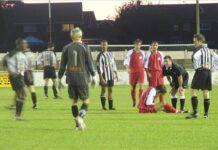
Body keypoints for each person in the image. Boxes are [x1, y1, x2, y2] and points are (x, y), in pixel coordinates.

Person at [58, 27, 96, 130]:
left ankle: (77, 125)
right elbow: (90, 63)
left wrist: (59, 78)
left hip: (70, 78)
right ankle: (80, 117)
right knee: (86, 101)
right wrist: (94, 76)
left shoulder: (66, 48)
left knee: (74, 102)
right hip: (82, 78)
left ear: (71, 36)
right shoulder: (85, 47)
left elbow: (62, 65)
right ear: (81, 36)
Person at [186, 34, 215, 119]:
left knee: (193, 90)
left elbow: (194, 60)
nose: (194, 43)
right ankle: (206, 114)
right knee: (206, 92)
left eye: (195, 41)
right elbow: (215, 59)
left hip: (200, 71)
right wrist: (211, 67)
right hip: (208, 72)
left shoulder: (198, 50)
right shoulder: (209, 50)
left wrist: (197, 67)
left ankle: (195, 112)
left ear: (200, 41)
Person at [3, 38, 28, 120]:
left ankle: (17, 115)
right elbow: (4, 60)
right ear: (19, 45)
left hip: (19, 76)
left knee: (21, 94)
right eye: (24, 43)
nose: (26, 45)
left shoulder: (22, 54)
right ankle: (17, 116)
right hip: (15, 76)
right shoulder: (13, 53)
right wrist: (10, 71)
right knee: (23, 93)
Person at [124, 39, 146, 107]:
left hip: (140, 72)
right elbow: (126, 61)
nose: (138, 46)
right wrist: (127, 68)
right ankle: (134, 101)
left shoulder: (143, 52)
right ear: (134, 45)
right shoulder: (130, 52)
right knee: (132, 89)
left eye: (139, 44)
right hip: (133, 72)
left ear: (140, 45)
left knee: (141, 88)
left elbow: (145, 62)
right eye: (136, 44)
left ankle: (140, 103)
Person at [96, 40, 118, 110]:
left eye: (105, 44)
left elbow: (113, 64)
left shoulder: (110, 54)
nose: (104, 46)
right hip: (104, 76)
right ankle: (103, 107)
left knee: (110, 90)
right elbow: (99, 67)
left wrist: (116, 74)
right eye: (102, 45)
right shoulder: (100, 55)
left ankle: (111, 107)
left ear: (107, 45)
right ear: (101, 46)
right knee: (103, 91)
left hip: (110, 75)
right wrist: (101, 78)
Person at [23, 40, 38, 109]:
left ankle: (17, 104)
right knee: (32, 88)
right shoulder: (32, 54)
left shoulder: (22, 55)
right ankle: (35, 104)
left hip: (24, 72)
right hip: (30, 72)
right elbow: (35, 64)